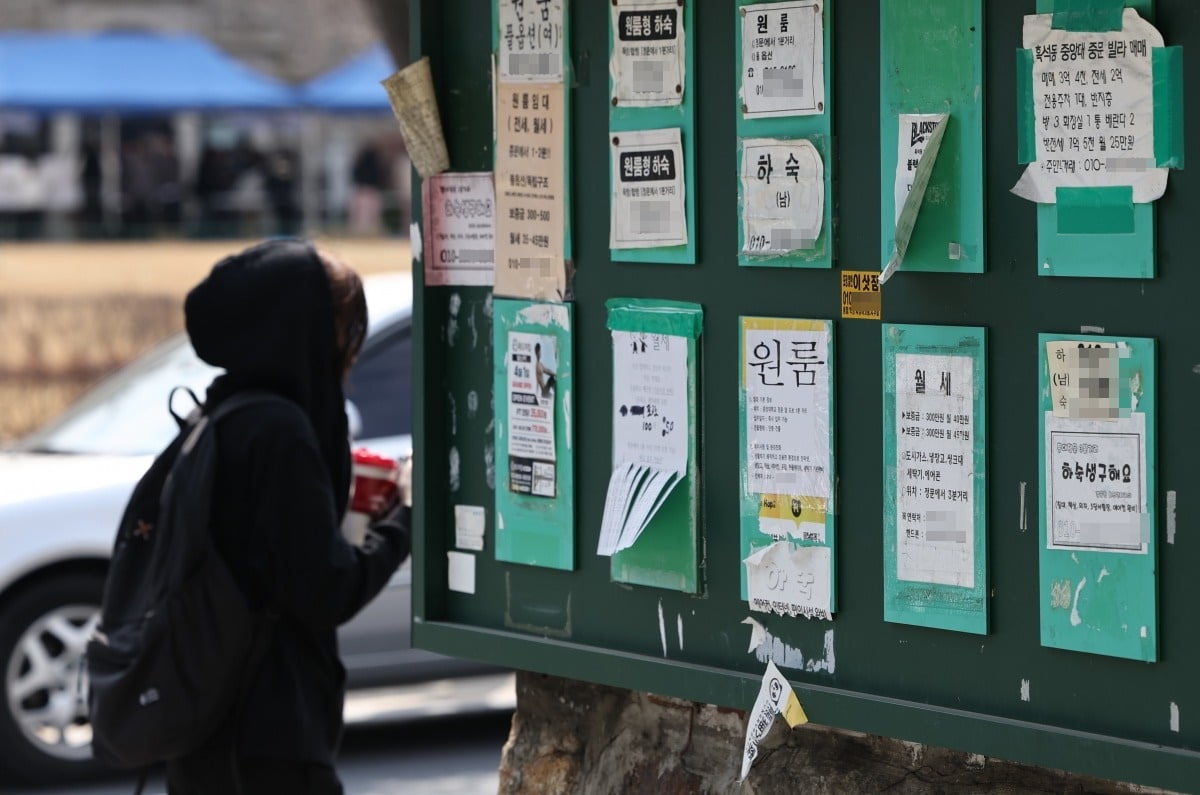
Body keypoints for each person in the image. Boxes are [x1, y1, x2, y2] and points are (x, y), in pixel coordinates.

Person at [165, 239, 411, 794]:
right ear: (306, 331)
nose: (350, 342)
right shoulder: (279, 434)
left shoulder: (221, 413)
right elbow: (327, 591)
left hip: (208, 730)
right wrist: (406, 521)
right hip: (268, 740)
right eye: (345, 326)